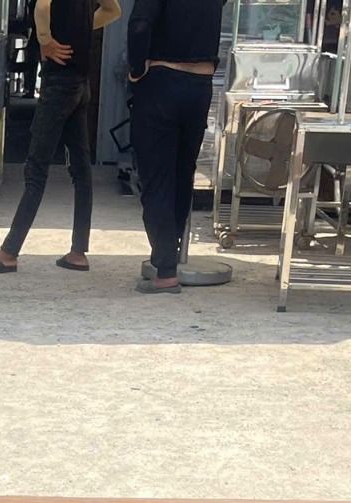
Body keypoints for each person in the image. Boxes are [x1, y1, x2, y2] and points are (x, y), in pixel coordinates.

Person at [0, 0, 120, 275]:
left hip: (58, 85)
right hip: (81, 84)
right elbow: (113, 10)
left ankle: (9, 253)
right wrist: (83, 28)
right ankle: (78, 252)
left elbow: (42, 6)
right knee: (81, 170)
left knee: (35, 170)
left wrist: (45, 39)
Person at [124, 0, 224, 293]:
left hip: (162, 81)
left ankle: (166, 269)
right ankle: (169, 253)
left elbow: (139, 25)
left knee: (157, 177)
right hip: (201, 84)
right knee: (182, 175)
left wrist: (136, 68)